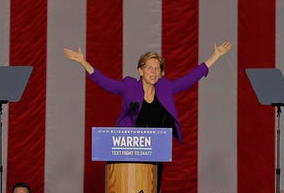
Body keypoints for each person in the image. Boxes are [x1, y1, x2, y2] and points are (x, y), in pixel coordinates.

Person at [64, 42, 231, 144]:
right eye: (149, 67)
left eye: (157, 68)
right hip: (130, 148)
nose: (153, 71)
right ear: (140, 70)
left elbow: (191, 77)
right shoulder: (129, 86)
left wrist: (215, 56)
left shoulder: (166, 87)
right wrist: (83, 62)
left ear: (161, 73)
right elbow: (105, 82)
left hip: (157, 149)